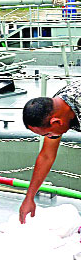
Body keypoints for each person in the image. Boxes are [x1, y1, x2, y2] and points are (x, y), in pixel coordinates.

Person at [19, 81, 81, 224]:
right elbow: (47, 156)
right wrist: (29, 197)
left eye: (47, 134)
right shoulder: (55, 107)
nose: (49, 137)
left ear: (56, 122)